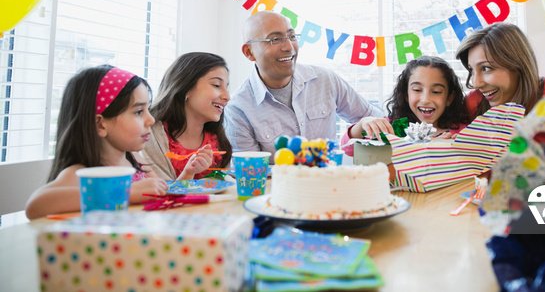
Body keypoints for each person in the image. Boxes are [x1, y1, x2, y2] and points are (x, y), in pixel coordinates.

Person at [224, 11, 384, 155]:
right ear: (249, 52)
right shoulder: (238, 109)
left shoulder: (324, 79)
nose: (288, 47)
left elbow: (373, 119)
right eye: (275, 40)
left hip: (332, 183)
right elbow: (251, 174)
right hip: (278, 188)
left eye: (292, 36)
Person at [25, 66, 168, 220]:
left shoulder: (135, 160)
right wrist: (126, 193)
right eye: (138, 112)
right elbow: (35, 205)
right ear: (100, 125)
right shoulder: (83, 174)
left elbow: (161, 189)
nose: (151, 120)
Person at [341, 56, 470, 156]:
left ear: (449, 98)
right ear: (406, 95)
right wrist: (362, 124)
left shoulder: (464, 132)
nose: (425, 100)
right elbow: (348, 149)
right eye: (417, 90)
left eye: (436, 92)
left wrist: (462, 146)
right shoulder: (389, 128)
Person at [141, 52, 233, 180]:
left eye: (226, 87)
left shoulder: (218, 141)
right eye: (216, 85)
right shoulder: (149, 136)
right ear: (186, 88)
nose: (227, 97)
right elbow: (161, 192)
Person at [455, 23, 545, 122]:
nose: (476, 84)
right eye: (472, 70)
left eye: (486, 68)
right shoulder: (474, 102)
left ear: (518, 65)